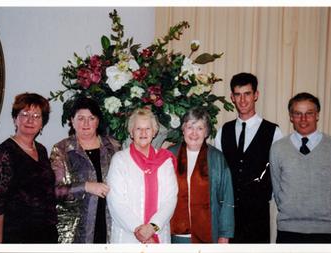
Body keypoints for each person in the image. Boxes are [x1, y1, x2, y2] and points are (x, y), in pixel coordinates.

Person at [270, 92, 331, 243]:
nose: (303, 119)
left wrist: (329, 209)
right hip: (288, 231)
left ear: (317, 115)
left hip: (326, 231)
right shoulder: (278, 148)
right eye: (298, 114)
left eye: (309, 113)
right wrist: (289, 207)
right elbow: (276, 185)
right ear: (291, 117)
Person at [214, 72, 283, 243]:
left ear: (256, 95)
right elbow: (218, 173)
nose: (242, 100)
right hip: (228, 214)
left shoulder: (273, 132)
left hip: (258, 215)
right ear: (232, 97)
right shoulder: (224, 131)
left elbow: (279, 172)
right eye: (238, 95)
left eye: (247, 94)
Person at [0, 92, 58, 243]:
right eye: (24, 114)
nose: (30, 120)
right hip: (17, 236)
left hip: (46, 233)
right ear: (15, 119)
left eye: (37, 116)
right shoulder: (3, 153)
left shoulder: (41, 150)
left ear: (42, 123)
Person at [50, 96, 119, 243]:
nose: (86, 123)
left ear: (98, 121)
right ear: (72, 120)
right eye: (81, 118)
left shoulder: (113, 146)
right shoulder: (61, 149)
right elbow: (56, 191)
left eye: (91, 118)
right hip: (76, 229)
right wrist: (86, 186)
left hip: (111, 223)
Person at [106, 108, 178, 243]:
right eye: (138, 128)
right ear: (131, 132)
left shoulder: (165, 160)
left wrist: (152, 228)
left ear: (154, 132)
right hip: (128, 237)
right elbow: (116, 201)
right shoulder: (120, 160)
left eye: (148, 129)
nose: (143, 133)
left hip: (158, 235)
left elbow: (170, 199)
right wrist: (139, 230)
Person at [168, 107, 234, 243]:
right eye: (190, 127)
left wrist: (224, 234)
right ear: (183, 129)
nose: (194, 133)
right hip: (176, 234)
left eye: (199, 128)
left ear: (206, 132)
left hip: (209, 232)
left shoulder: (217, 158)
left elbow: (227, 198)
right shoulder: (170, 155)